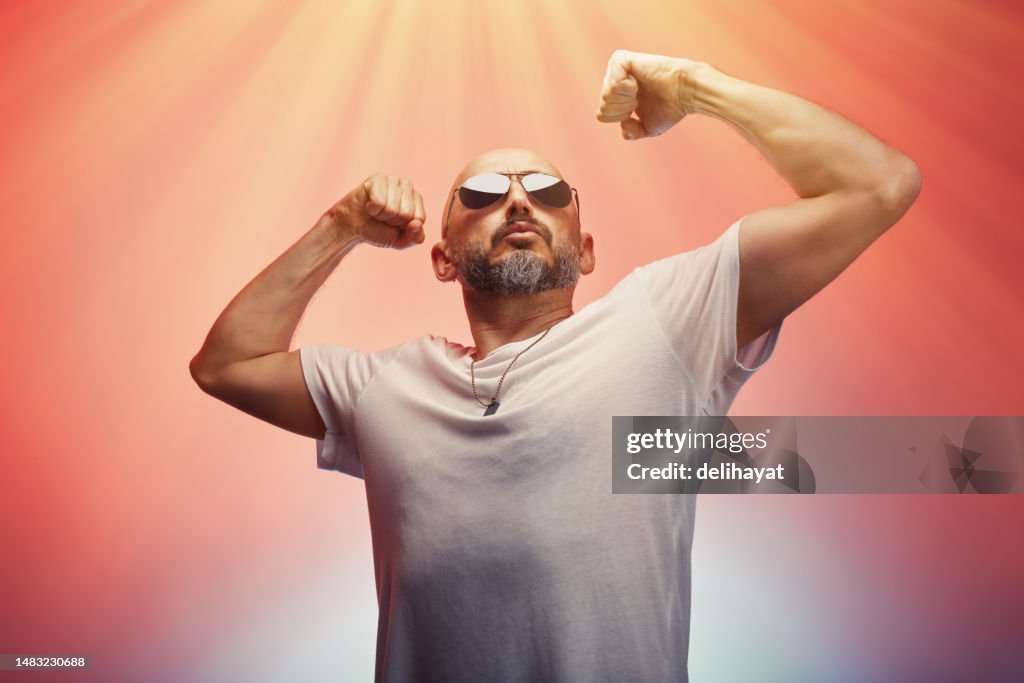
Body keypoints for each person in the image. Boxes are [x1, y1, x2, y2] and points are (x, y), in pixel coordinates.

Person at [190, 50, 920, 682]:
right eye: (482, 194)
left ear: (586, 249)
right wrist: (340, 226)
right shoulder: (383, 387)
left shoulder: (667, 322)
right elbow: (227, 363)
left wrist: (696, 88)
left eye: (545, 192)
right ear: (442, 259)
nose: (516, 201)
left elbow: (879, 184)